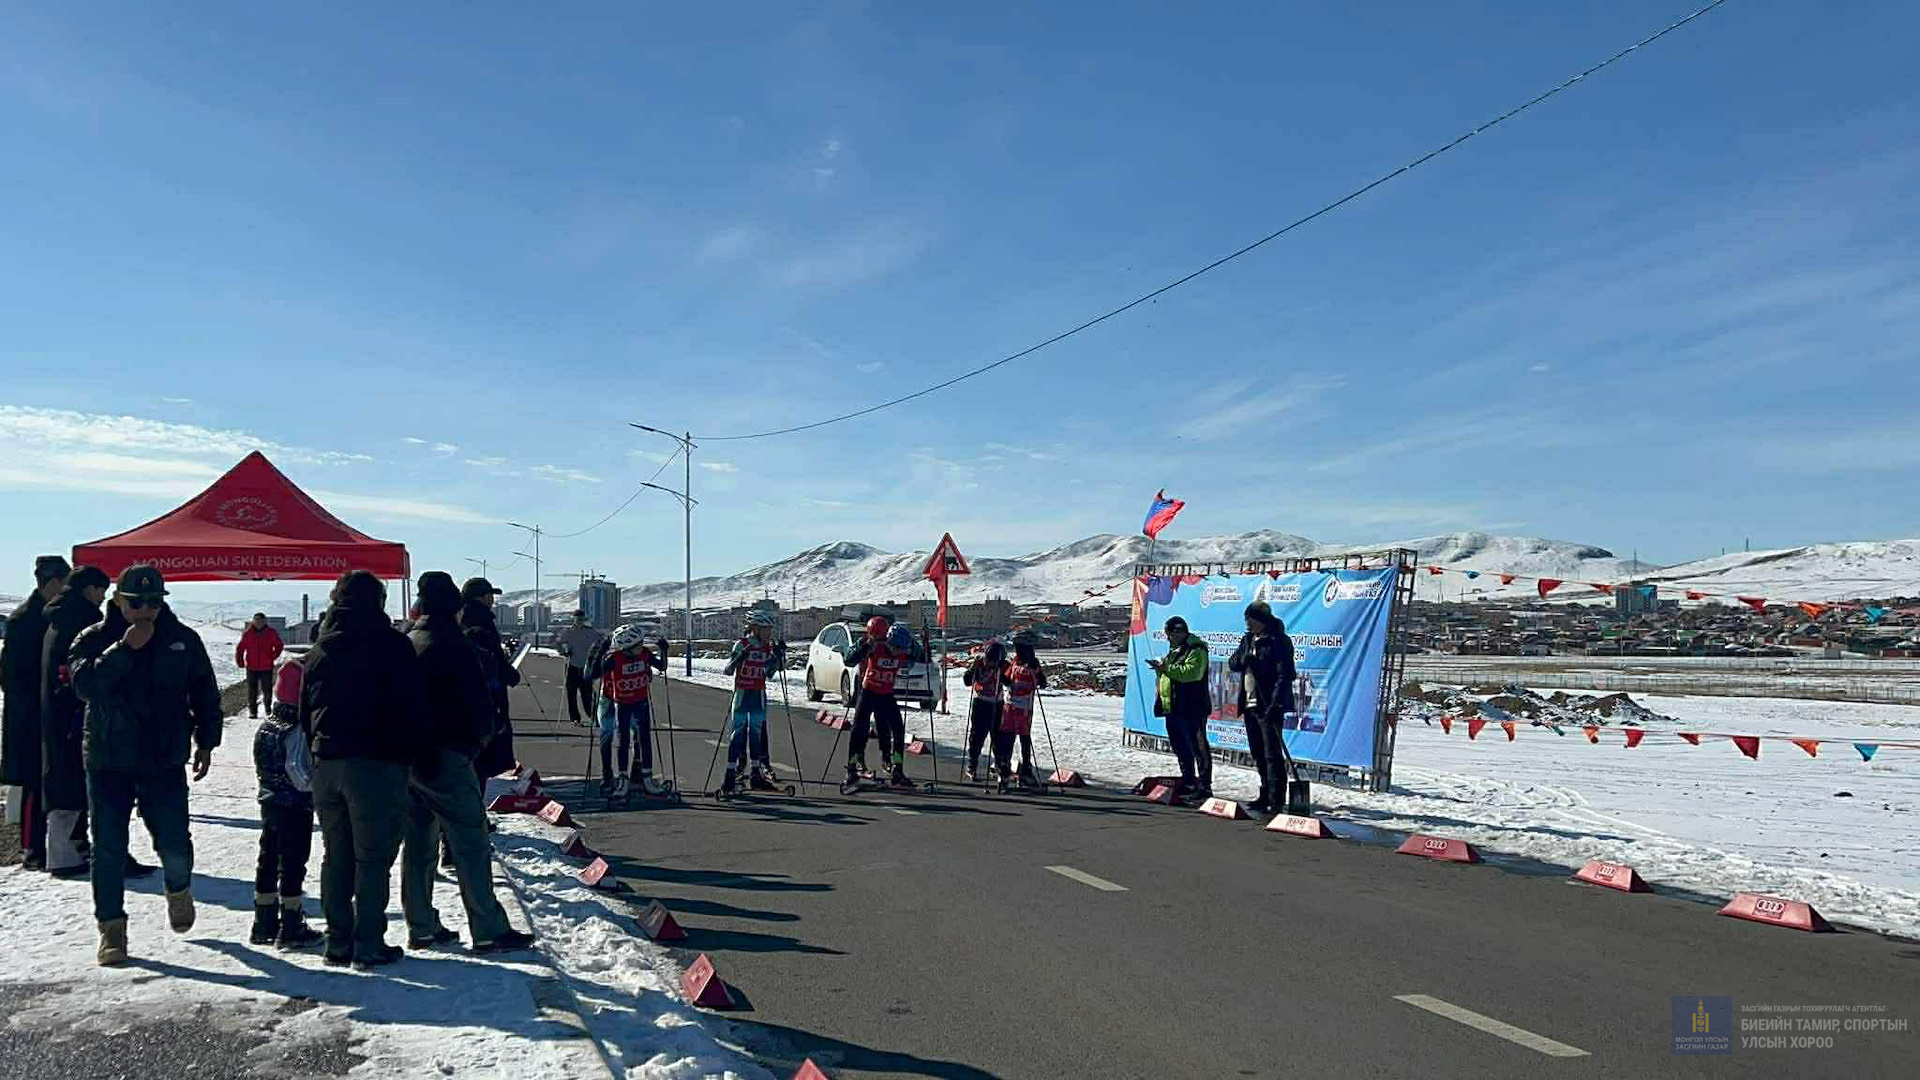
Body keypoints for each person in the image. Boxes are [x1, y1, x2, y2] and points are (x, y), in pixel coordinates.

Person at [68, 564, 221, 967]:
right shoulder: (94, 638)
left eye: (154, 602)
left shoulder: (182, 640)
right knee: (109, 849)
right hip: (108, 759)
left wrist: (207, 740)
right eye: (136, 603)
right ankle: (111, 930)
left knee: (174, 842)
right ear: (118, 600)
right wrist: (123, 650)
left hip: (163, 757)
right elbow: (84, 686)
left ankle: (178, 888)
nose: (146, 611)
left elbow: (205, 691)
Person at [399, 571, 534, 954]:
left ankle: (421, 926)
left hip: (411, 758)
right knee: (470, 843)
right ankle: (488, 928)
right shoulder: (455, 645)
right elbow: (479, 703)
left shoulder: (409, 642)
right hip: (449, 756)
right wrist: (478, 743)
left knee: (418, 846)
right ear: (454, 606)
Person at [301, 569, 427, 970]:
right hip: (376, 763)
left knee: (335, 856)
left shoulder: (321, 649)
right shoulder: (393, 645)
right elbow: (413, 705)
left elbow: (306, 710)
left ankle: (337, 942)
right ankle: (369, 943)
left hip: (327, 762)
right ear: (379, 602)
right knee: (372, 859)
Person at [45, 566, 147, 878]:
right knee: (87, 788)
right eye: (101, 591)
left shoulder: (55, 618)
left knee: (68, 783)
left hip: (59, 713)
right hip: (81, 716)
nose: (103, 597)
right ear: (90, 589)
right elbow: (95, 676)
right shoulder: (85, 622)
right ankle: (75, 856)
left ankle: (68, 852)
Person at [251, 658, 322, 949]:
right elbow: (298, 770)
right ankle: (291, 922)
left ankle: (263, 918)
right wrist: (316, 786)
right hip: (294, 804)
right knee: (293, 862)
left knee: (268, 857)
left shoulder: (268, 725)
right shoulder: (297, 729)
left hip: (269, 800)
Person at [4, 555, 67, 871]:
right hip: (30, 718)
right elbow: (11, 677)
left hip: (46, 713)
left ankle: (46, 845)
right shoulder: (24, 620)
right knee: (33, 783)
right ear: (52, 582)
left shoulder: (47, 615)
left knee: (47, 781)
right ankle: (31, 847)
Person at [1229, 600, 1297, 814]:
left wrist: (1275, 703)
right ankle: (1265, 792)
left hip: (1268, 704)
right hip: (1250, 702)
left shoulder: (1278, 641)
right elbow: (1233, 663)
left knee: (1271, 753)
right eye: (1246, 620)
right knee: (1257, 751)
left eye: (1251, 619)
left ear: (1262, 620)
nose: (1247, 624)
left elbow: (1285, 674)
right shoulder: (1248, 639)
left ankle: (1277, 798)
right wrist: (1244, 658)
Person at [592, 624, 669, 797]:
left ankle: (646, 777)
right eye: (639, 644)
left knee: (645, 739)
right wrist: (601, 652)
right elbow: (594, 673)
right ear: (628, 647)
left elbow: (662, 666)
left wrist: (664, 650)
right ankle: (622, 778)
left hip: (641, 702)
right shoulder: (615, 658)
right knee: (623, 740)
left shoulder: (645, 653)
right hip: (622, 703)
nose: (642, 646)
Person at [459, 578, 520, 782]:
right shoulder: (481, 621)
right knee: (484, 760)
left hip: (468, 699)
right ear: (482, 597)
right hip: (488, 698)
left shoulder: (459, 618)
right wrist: (509, 673)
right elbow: (492, 659)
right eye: (490, 596)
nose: (492, 600)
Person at [1149, 615, 1213, 806]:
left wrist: (1166, 667)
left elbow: (1192, 673)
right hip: (1173, 705)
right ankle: (1189, 780)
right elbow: (1169, 674)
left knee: (1198, 745)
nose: (1169, 638)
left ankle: (1204, 786)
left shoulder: (1196, 649)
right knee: (1180, 746)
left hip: (1193, 705)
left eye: (1171, 634)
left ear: (1180, 632)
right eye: (1168, 635)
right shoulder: (1174, 650)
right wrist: (1161, 670)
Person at [843, 618, 913, 789]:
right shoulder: (876, 646)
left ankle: (897, 768)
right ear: (889, 642)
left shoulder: (903, 648)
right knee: (858, 730)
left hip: (886, 694)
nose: (898, 653)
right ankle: (852, 769)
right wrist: (865, 647)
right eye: (896, 649)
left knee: (898, 730)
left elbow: (921, 655)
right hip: (869, 692)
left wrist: (925, 644)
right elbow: (849, 660)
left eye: (902, 650)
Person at [720, 612, 784, 794]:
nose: (769, 632)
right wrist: (740, 656)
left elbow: (769, 673)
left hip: (758, 695)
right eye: (766, 629)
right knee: (738, 734)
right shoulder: (742, 644)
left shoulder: (767, 648)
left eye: (770, 629)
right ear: (755, 628)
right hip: (742, 695)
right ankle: (730, 776)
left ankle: (756, 774)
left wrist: (778, 656)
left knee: (756, 734)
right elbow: (728, 670)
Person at [993, 631, 1048, 791]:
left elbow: (1041, 682)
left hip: (1019, 708)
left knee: (1019, 739)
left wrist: (1037, 676)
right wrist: (1000, 673)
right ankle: (1011, 770)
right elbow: (1008, 680)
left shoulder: (1028, 663)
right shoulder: (1018, 663)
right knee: (1014, 739)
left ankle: (1018, 771)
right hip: (1015, 707)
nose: (1019, 651)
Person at [962, 639, 1009, 782]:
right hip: (981, 703)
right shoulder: (979, 663)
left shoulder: (1003, 665)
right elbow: (967, 681)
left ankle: (999, 766)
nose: (992, 663)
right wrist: (973, 670)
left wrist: (1003, 672)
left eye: (995, 661)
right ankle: (972, 765)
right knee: (977, 736)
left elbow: (1009, 682)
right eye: (990, 660)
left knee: (998, 737)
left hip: (997, 703)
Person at [557, 610, 603, 726]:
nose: (580, 622)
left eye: (582, 619)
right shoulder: (568, 632)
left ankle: (594, 717)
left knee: (587, 694)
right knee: (571, 693)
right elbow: (559, 643)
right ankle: (575, 718)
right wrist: (563, 651)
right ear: (574, 619)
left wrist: (597, 656)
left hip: (586, 667)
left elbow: (601, 643)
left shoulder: (591, 632)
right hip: (572, 665)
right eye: (577, 620)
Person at [235, 613, 285, 719]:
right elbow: (240, 648)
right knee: (252, 691)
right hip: (251, 667)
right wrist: (240, 661)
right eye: (256, 620)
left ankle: (268, 709)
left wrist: (272, 656)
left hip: (266, 667)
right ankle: (253, 712)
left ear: (265, 621)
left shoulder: (271, 632)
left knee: (267, 690)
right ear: (253, 621)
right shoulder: (248, 633)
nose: (259, 623)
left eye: (261, 621)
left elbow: (279, 645)